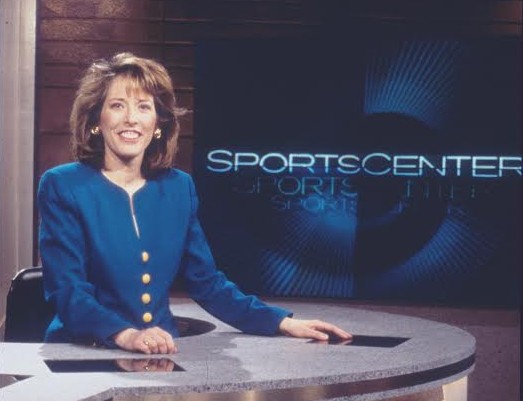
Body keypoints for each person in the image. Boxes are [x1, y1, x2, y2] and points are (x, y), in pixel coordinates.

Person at [37, 52, 351, 354]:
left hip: (162, 353)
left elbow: (207, 283)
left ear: (157, 123)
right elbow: (68, 290)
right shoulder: (63, 185)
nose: (131, 119)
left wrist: (280, 321)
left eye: (143, 107)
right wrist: (127, 334)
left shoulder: (178, 187)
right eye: (117, 105)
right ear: (96, 119)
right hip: (82, 351)